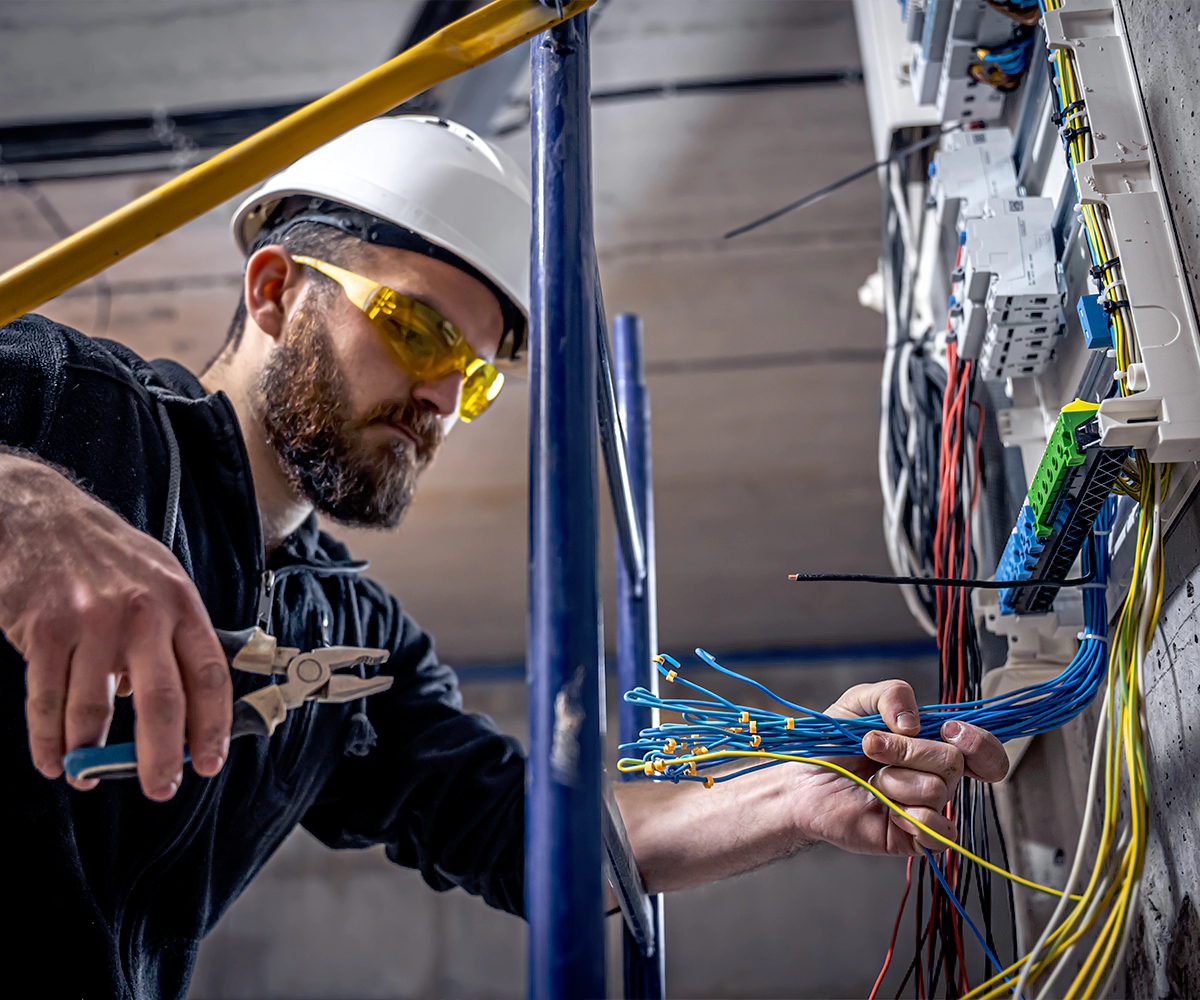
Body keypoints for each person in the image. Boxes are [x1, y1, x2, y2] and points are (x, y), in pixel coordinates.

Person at [0, 116, 1009, 998]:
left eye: (473, 378)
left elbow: (522, 832)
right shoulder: (67, 403)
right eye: (418, 332)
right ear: (273, 292)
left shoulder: (353, 641)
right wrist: (24, 501)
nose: (442, 403)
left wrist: (789, 792)